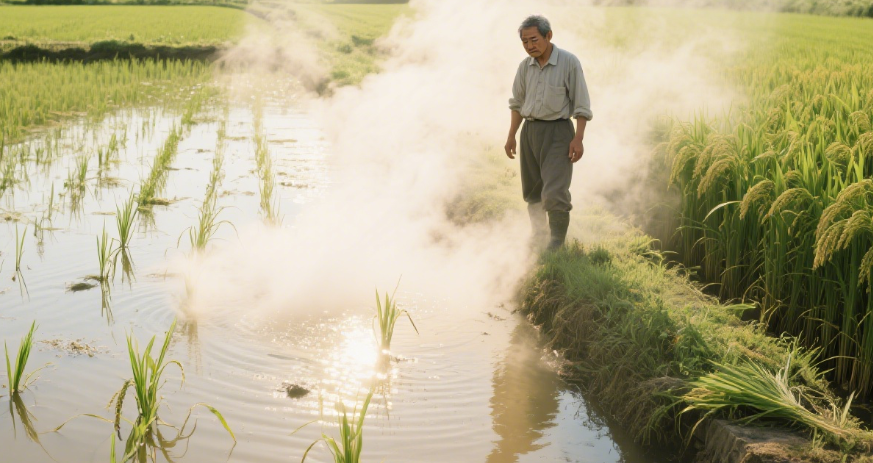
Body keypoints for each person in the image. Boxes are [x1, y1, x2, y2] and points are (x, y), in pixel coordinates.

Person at [504, 15, 592, 251]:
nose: (529, 46)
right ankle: (539, 235)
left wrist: (578, 138)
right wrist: (512, 135)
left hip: (558, 132)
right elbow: (517, 104)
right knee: (533, 190)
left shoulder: (569, 62)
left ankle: (556, 244)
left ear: (548, 35)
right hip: (529, 132)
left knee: (554, 191)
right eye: (525, 42)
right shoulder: (525, 67)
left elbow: (582, 104)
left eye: (534, 39)